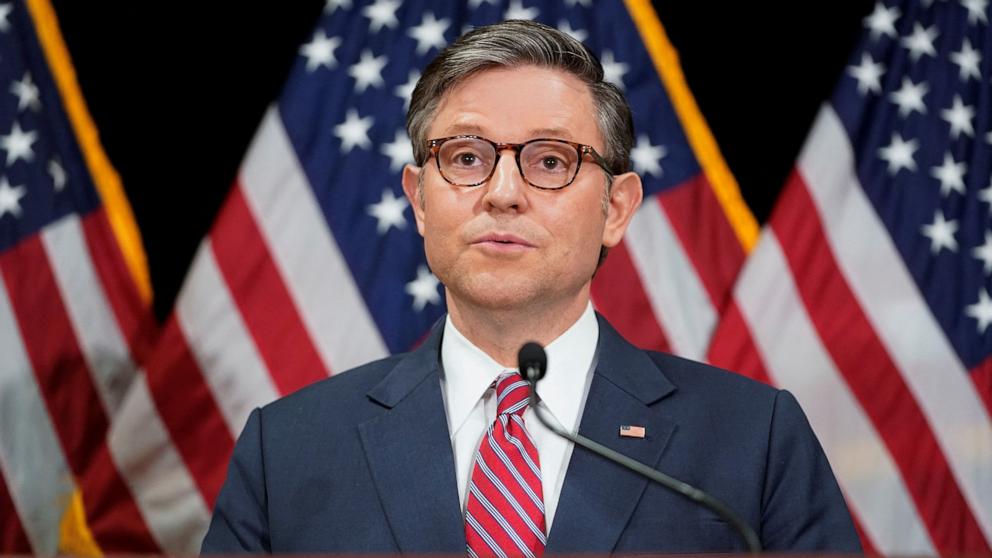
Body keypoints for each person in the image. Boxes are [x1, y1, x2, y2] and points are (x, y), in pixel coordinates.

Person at [201, 20, 861, 555]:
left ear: (616, 208)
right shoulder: (287, 448)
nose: (503, 193)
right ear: (419, 200)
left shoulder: (753, 439)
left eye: (550, 160)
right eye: (466, 158)